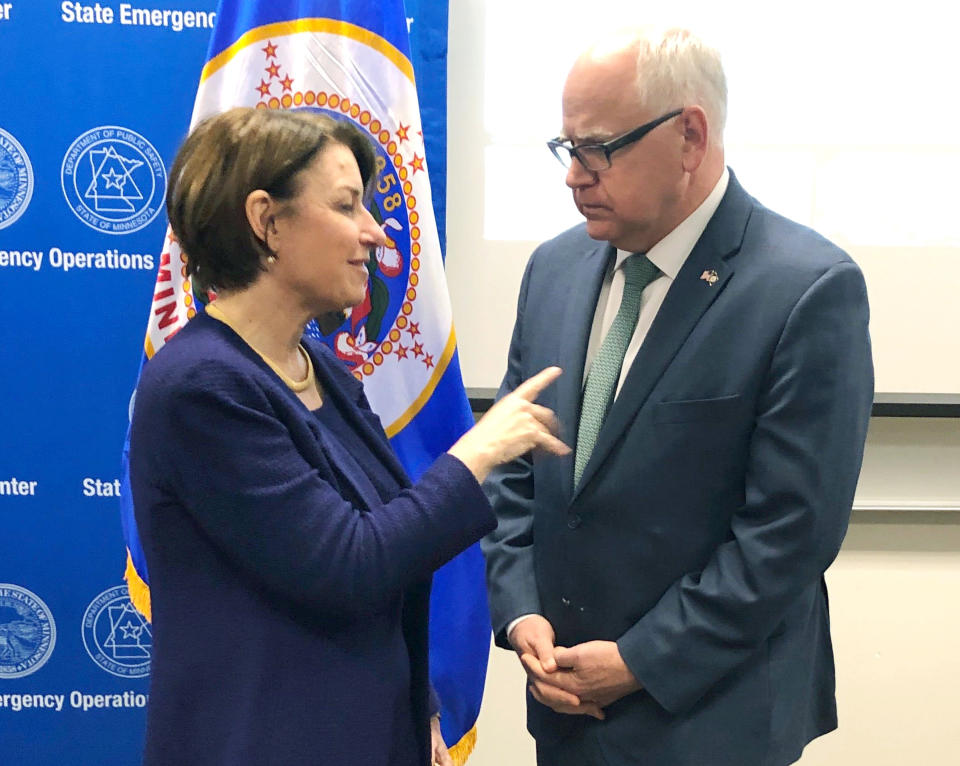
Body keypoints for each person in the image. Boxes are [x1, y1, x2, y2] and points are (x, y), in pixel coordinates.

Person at [481, 26, 874, 766]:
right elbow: (513, 460)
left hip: (708, 720)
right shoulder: (555, 269)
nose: (574, 176)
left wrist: (638, 661)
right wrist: (519, 610)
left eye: (596, 148)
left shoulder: (805, 290)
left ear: (689, 135)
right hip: (564, 712)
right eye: (566, 149)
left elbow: (788, 535)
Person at [128, 107, 568, 766]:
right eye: (348, 205)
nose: (375, 232)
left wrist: (416, 711)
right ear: (266, 222)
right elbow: (348, 565)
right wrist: (475, 454)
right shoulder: (200, 388)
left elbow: (384, 543)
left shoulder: (322, 368)